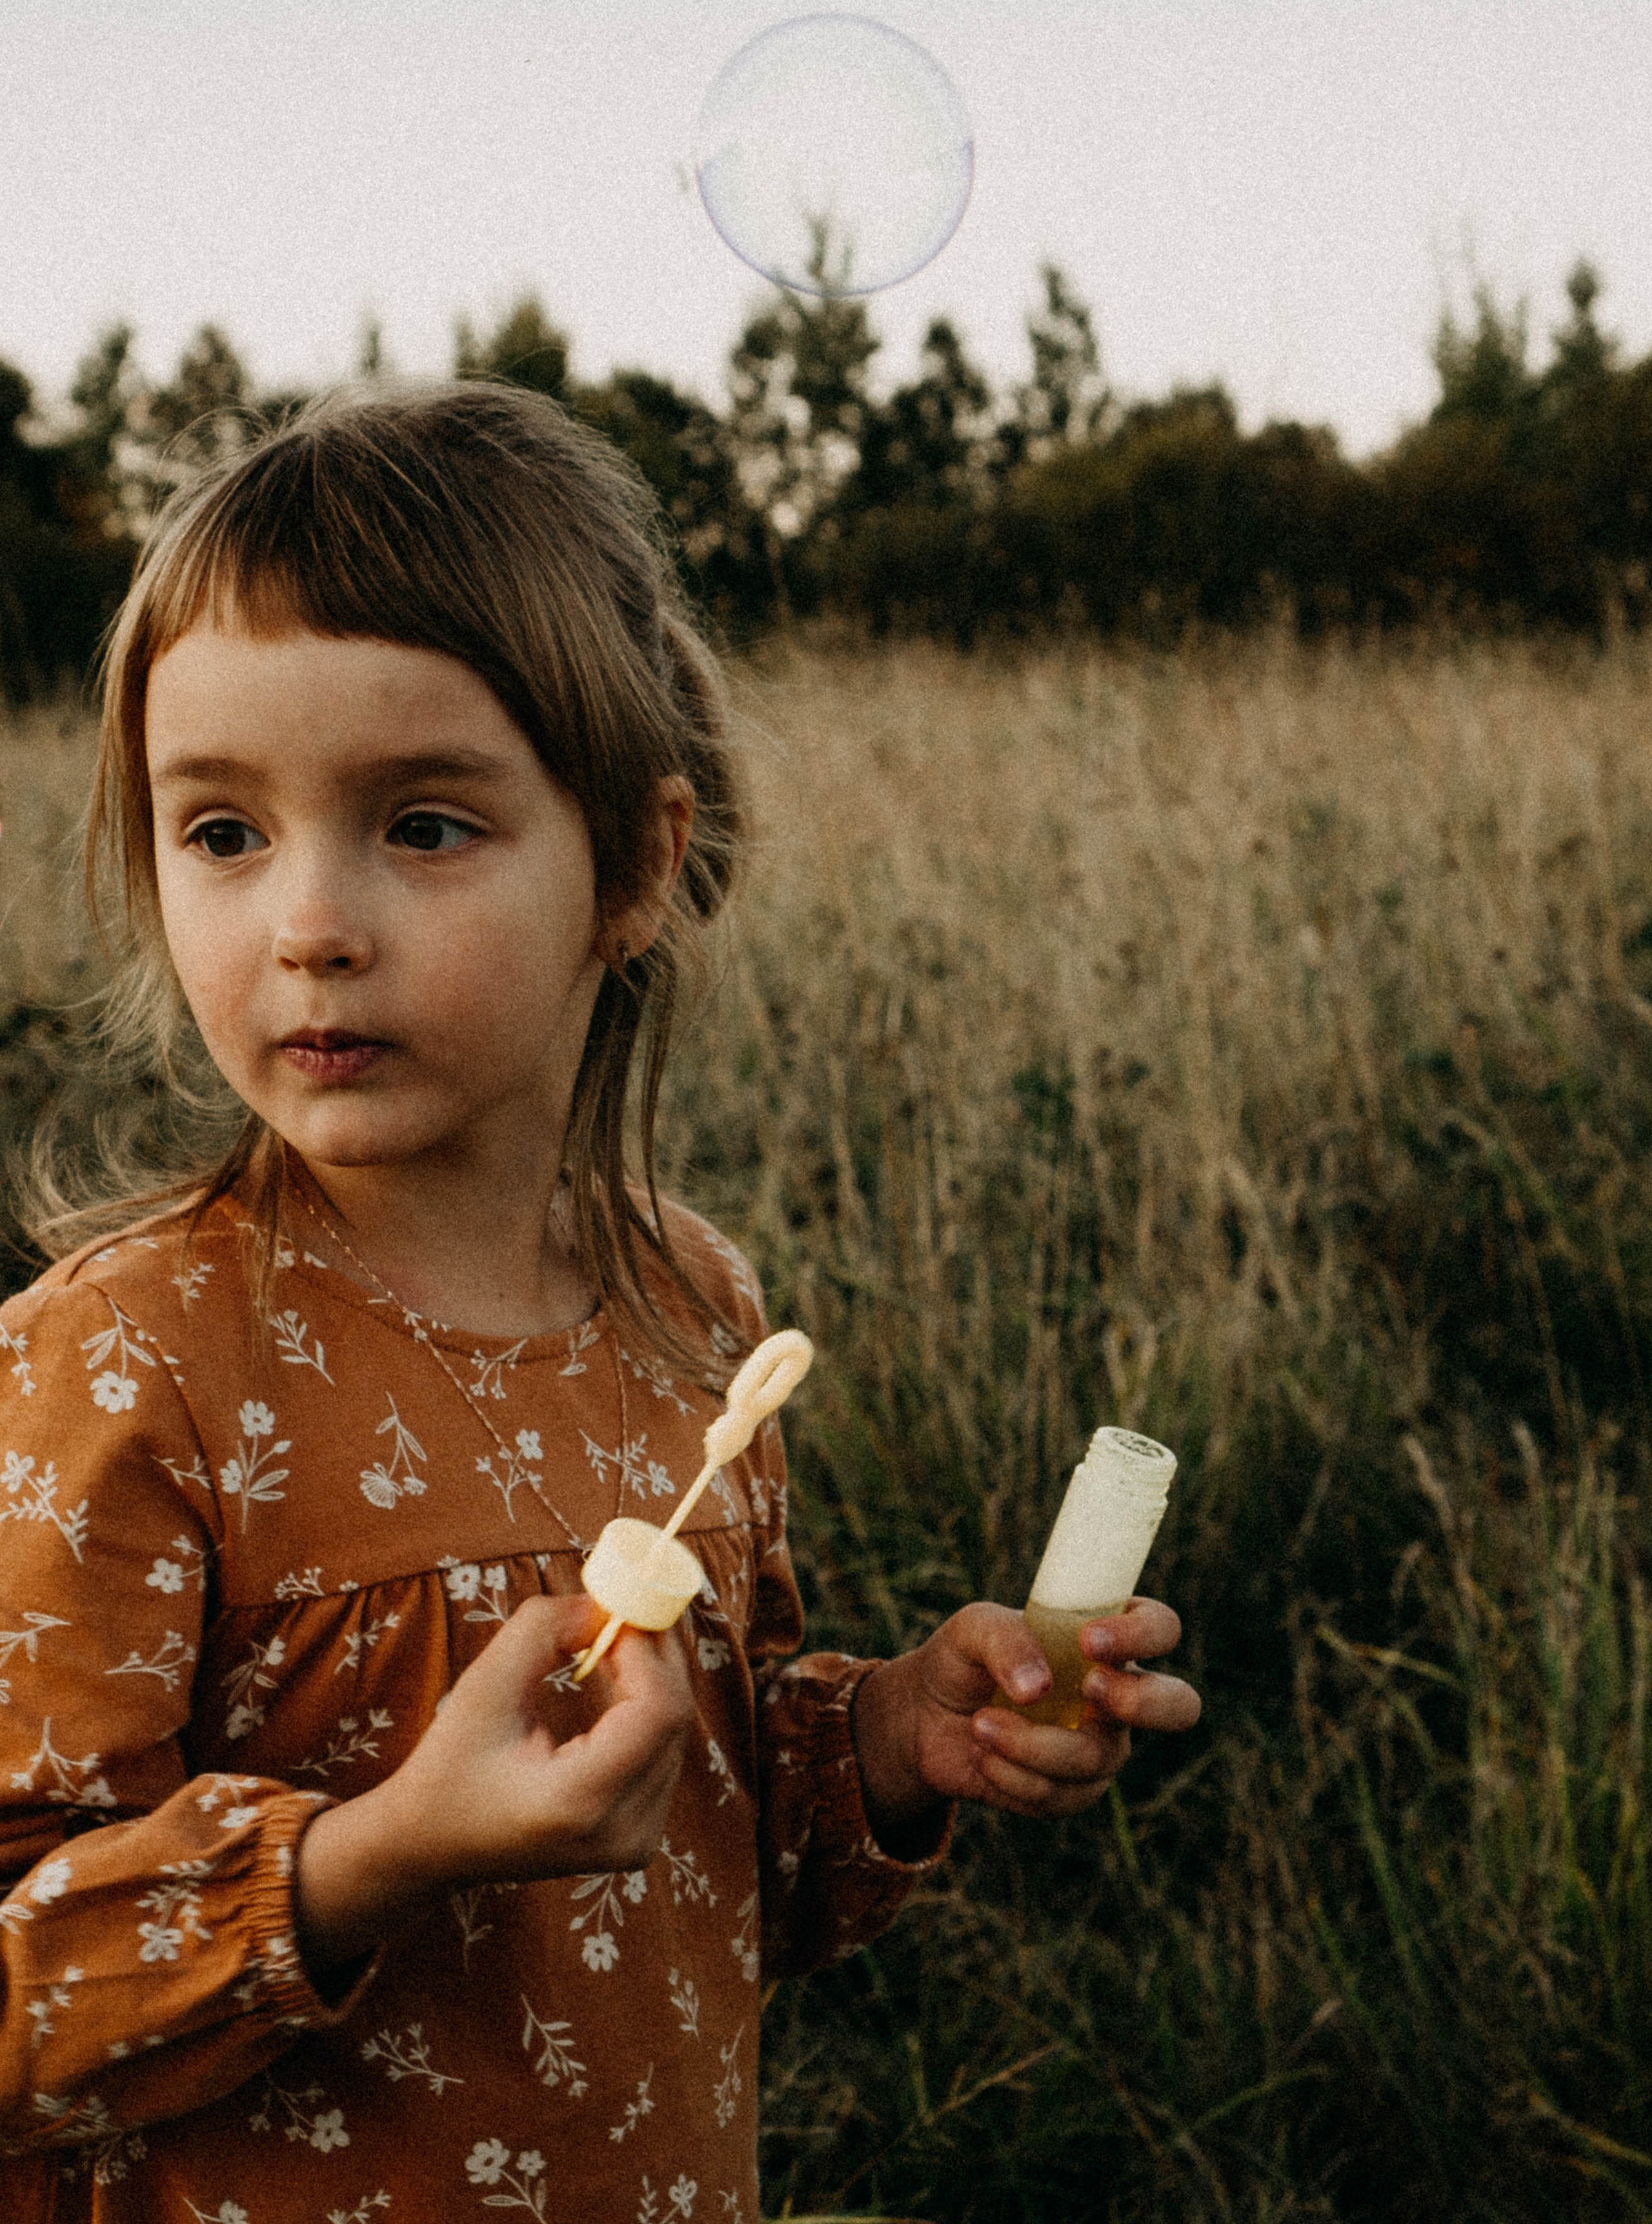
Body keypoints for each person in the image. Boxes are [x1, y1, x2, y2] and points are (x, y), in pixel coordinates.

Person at [0, 381, 1199, 2221]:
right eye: (222, 833)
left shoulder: (691, 1306)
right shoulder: (124, 1363)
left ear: (633, 864)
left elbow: (707, 1845)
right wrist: (374, 1858)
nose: (309, 919)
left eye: (422, 825)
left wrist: (885, 1741)